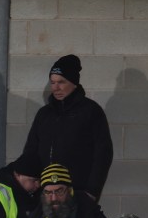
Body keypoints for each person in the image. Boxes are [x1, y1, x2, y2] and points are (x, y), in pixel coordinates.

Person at [22, 54, 114, 202]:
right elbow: (31, 151)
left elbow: (103, 154)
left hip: (78, 192)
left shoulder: (90, 111)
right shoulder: (44, 114)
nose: (56, 87)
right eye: (52, 82)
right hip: (46, 192)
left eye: (61, 82)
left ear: (74, 83)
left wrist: (91, 191)